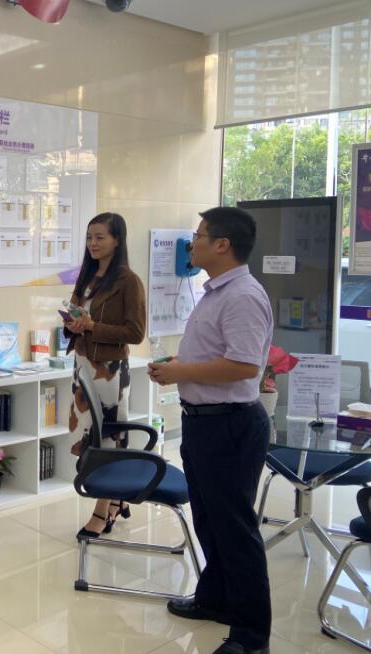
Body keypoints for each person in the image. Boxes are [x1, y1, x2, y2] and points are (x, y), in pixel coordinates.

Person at [148, 207, 273, 654]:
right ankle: (215, 598)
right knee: (209, 519)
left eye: (199, 236)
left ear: (222, 244)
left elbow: (244, 365)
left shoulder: (243, 296)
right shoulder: (216, 291)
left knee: (235, 529)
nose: (192, 243)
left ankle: (251, 637)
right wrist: (179, 366)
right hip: (204, 424)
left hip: (231, 426)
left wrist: (181, 371)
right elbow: (217, 355)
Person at [64, 213, 146, 540]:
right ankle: (116, 498)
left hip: (110, 369)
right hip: (82, 363)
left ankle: (103, 510)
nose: (93, 244)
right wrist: (73, 324)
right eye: (89, 238)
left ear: (117, 240)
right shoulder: (87, 275)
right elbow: (76, 316)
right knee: (87, 434)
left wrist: (93, 327)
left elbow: (135, 332)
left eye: (100, 237)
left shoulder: (128, 281)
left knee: (108, 437)